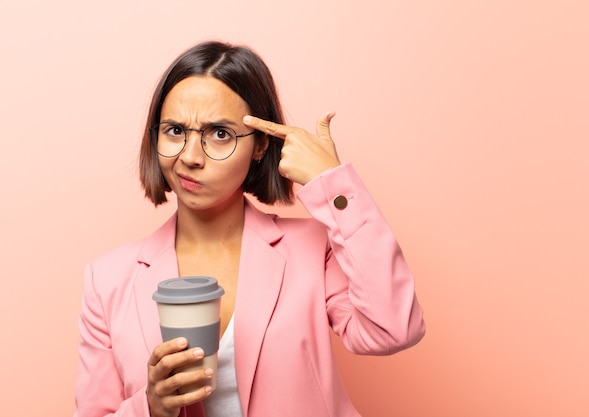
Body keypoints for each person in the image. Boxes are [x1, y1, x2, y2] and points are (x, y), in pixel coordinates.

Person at [74, 40, 426, 417]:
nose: (190, 157)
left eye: (220, 134)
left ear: (259, 146)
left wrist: (332, 183)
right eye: (175, 130)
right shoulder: (108, 280)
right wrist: (150, 407)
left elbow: (394, 329)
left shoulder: (312, 248)